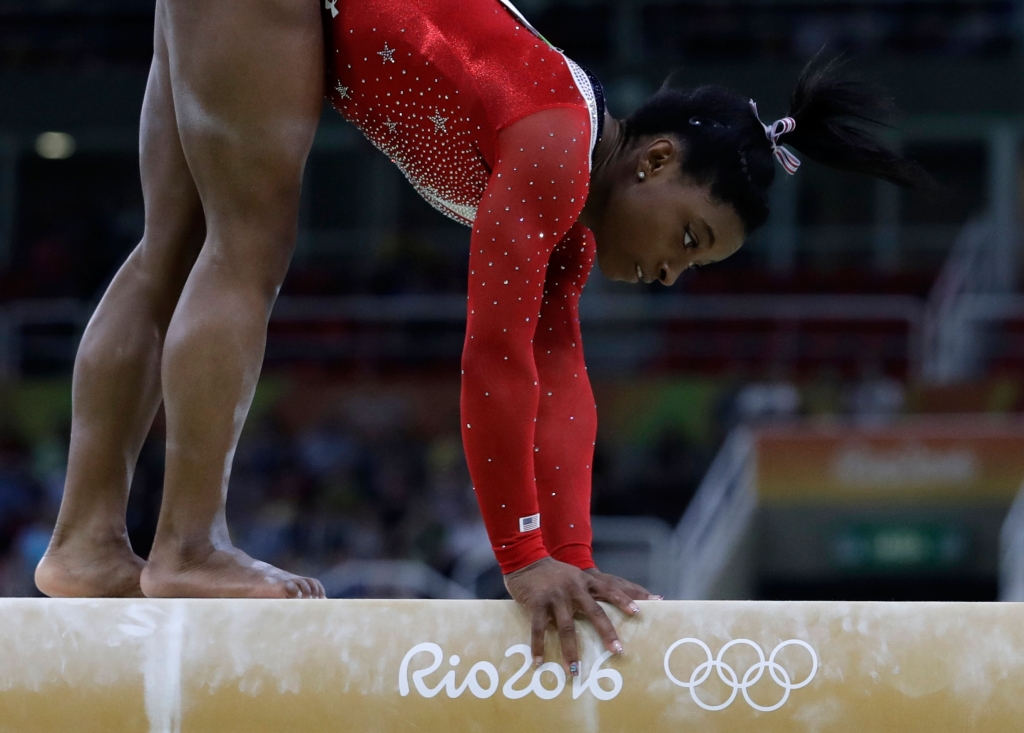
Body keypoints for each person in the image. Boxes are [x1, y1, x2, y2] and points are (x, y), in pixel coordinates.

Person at [35, 0, 928, 678]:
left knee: (173, 249)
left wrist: (570, 557)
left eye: (695, 267)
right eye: (688, 239)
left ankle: (84, 542)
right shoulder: (552, 143)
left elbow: (558, 373)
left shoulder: (570, 219)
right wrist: (522, 558)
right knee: (246, 242)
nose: (670, 273)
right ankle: (186, 545)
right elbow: (493, 354)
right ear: (654, 161)